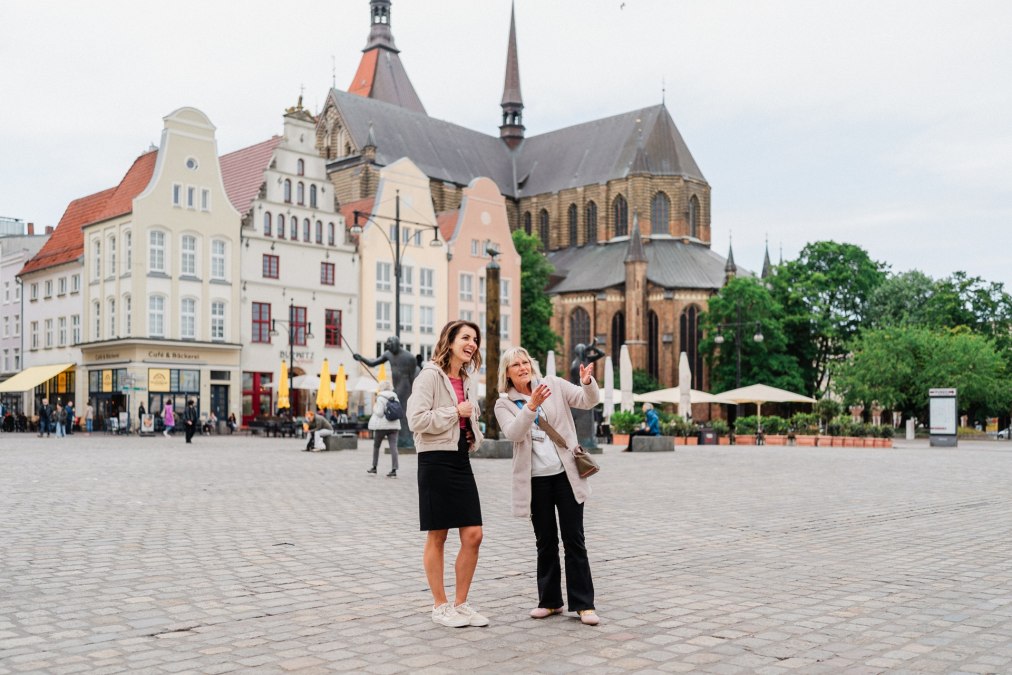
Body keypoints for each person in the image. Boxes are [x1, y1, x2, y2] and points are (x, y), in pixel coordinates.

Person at [494, 346, 602, 626]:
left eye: (525, 362)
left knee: (574, 539)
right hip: (535, 482)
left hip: (566, 476)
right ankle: (550, 601)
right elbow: (514, 433)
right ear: (507, 373)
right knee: (545, 542)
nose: (522, 367)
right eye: (515, 365)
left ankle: (584, 604)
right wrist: (530, 407)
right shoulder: (503, 404)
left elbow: (587, 401)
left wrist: (587, 382)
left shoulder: (552, 384)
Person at [406, 320, 487, 628]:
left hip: (460, 458)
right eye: (466, 337)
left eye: (475, 339)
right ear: (449, 341)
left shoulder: (467, 379)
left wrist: (472, 434)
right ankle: (440, 606)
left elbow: (468, 417)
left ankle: (461, 604)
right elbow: (416, 420)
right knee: (438, 534)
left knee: (474, 534)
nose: (472, 344)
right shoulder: (429, 375)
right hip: (435, 460)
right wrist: (455, 413)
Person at [353, 335, 420, 447]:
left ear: (397, 344)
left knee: (404, 412)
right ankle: (402, 439)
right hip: (396, 385)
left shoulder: (409, 357)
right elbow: (373, 363)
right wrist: (361, 358)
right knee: (399, 412)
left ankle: (407, 440)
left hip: (405, 386)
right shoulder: (388, 354)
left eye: (391, 345)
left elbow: (413, 375)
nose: (389, 348)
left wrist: (414, 391)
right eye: (388, 346)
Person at [367, 380, 402, 477]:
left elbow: (379, 413)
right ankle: (394, 469)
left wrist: (374, 407)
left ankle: (374, 467)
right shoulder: (395, 397)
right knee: (393, 447)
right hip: (394, 425)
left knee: (376, 446)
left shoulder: (380, 397)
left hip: (381, 426)